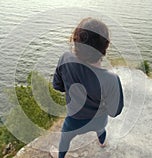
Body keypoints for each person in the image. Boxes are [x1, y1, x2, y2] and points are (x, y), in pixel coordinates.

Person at [51, 17, 124, 158]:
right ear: (106, 45)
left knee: (65, 138)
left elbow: (57, 86)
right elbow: (114, 112)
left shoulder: (65, 59)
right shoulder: (111, 79)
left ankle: (59, 156)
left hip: (73, 120)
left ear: (75, 41)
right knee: (101, 129)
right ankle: (102, 142)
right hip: (99, 120)